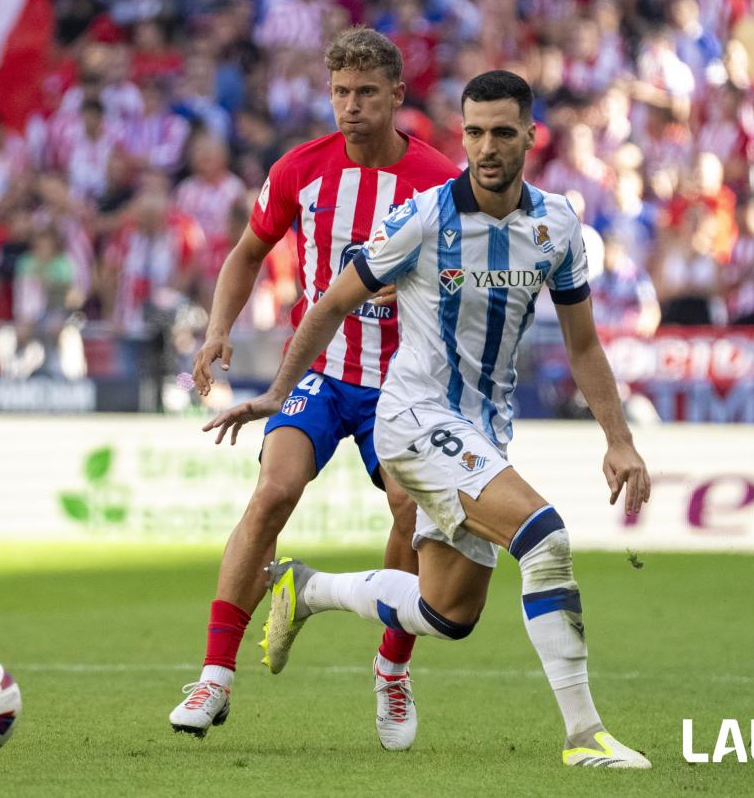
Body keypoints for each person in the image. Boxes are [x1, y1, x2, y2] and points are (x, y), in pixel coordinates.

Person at [204, 70, 652, 769]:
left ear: (532, 136)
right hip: (413, 418)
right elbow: (327, 305)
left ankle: (306, 589)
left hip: (483, 430)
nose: (487, 147)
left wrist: (619, 440)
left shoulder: (558, 224)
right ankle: (584, 735)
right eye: (474, 132)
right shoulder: (424, 217)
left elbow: (584, 343)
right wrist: (274, 394)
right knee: (545, 538)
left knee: (449, 614)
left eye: (503, 132)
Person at [169, 27, 459, 750]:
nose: (351, 107)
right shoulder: (301, 169)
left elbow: (463, 284)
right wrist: (217, 330)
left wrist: (422, 297)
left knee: (407, 509)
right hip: (321, 374)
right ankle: (213, 677)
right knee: (272, 492)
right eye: (340, 92)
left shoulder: (436, 181)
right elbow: (246, 253)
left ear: (396, 94)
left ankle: (392, 668)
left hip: (403, 382)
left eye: (365, 93)